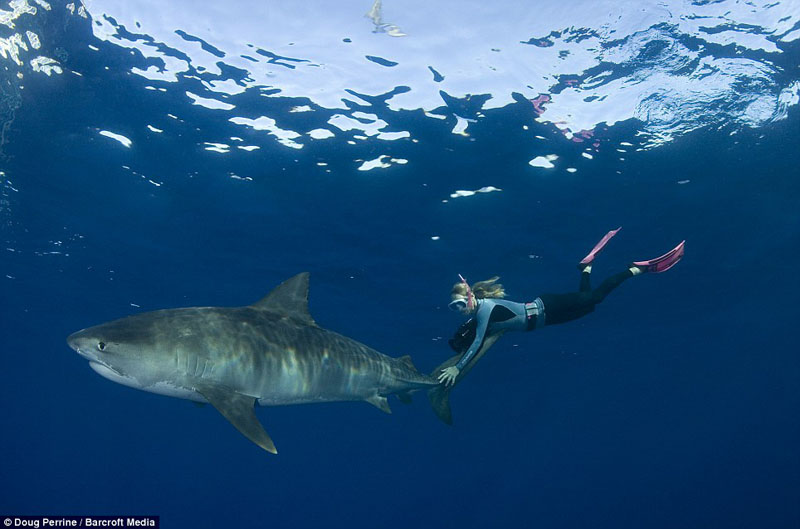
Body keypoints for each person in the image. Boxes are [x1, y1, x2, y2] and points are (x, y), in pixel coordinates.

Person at [437, 228, 685, 387]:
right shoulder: (480, 315)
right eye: (453, 308)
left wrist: (457, 369)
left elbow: (479, 340)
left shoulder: (485, 310)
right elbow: (476, 336)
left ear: (470, 297)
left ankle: (636, 269)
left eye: (459, 304)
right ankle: (586, 267)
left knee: (595, 298)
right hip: (548, 318)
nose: (458, 310)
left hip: (549, 307)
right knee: (589, 305)